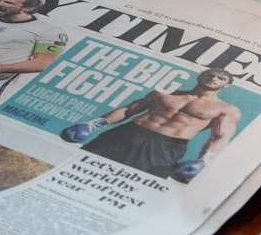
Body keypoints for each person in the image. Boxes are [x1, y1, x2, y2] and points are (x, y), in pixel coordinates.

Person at [60, 68, 241, 182]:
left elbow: (220, 136)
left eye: (220, 77)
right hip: (125, 134)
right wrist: (92, 124)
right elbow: (129, 109)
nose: (214, 78)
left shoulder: (226, 109)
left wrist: (204, 161)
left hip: (165, 146)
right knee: (75, 171)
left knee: (132, 186)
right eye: (210, 74)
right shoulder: (166, 94)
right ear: (201, 75)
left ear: (227, 85)